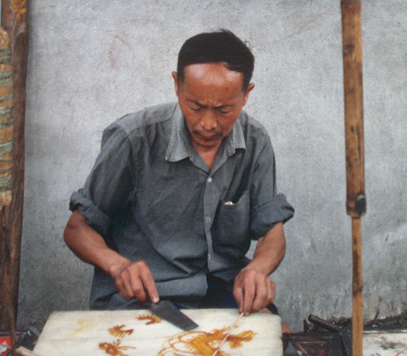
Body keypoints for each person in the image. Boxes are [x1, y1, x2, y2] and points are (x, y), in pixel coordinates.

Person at [64, 30, 293, 314]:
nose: (207, 124)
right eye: (195, 106)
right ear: (177, 85)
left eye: (224, 110)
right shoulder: (134, 139)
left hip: (222, 289)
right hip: (145, 297)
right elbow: (77, 228)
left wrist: (257, 269)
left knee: (276, 344)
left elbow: (272, 229)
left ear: (246, 94)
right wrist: (118, 265)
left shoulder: (255, 140)